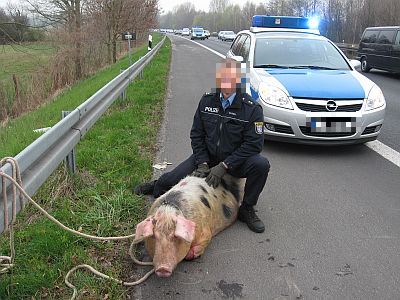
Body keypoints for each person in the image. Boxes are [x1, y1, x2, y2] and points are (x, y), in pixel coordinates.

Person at [134, 57, 270, 233]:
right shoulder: (207, 101)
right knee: (169, 181)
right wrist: (203, 162)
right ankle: (155, 184)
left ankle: (247, 208)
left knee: (261, 165)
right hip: (208, 157)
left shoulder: (251, 109)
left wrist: (225, 165)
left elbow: (254, 145)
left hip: (235, 162)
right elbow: (197, 134)